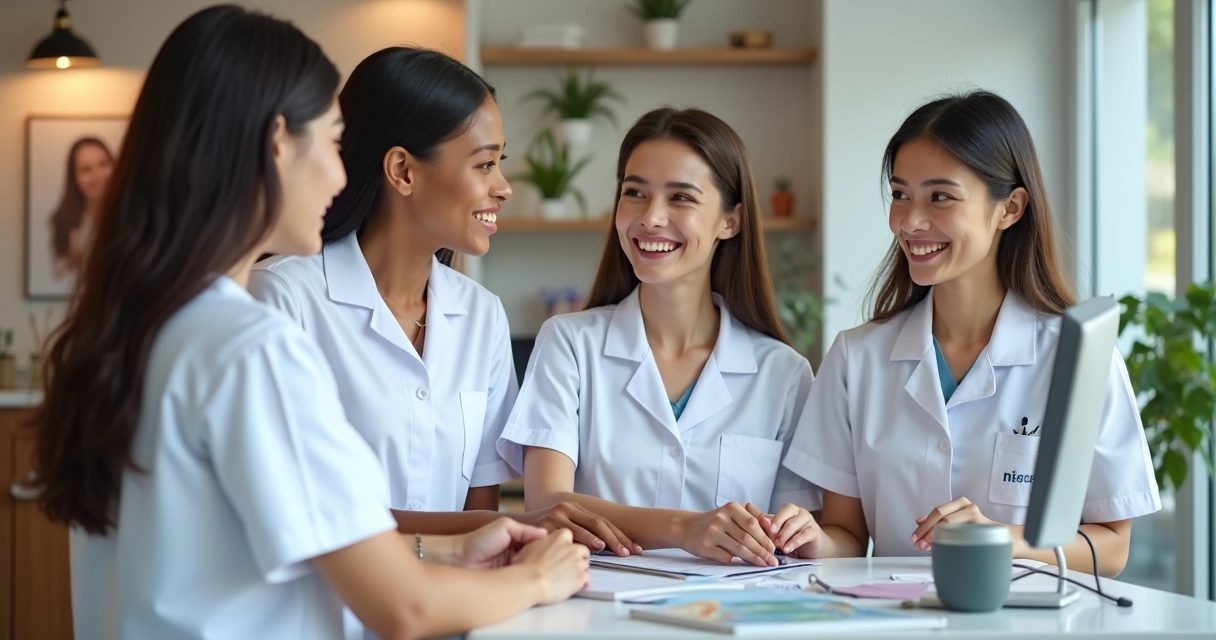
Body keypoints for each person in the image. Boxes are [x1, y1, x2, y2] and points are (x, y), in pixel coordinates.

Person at [32, 7, 588, 640]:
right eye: (331, 141)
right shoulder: (250, 344)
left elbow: (259, 548)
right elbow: (404, 608)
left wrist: (457, 549)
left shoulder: (147, 325)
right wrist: (542, 576)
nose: (341, 171)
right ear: (276, 143)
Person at [249, 47, 637, 556]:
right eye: (484, 165)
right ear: (403, 171)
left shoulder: (481, 315)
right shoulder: (283, 298)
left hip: (450, 615)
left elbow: (482, 516)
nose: (503, 188)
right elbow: (292, 506)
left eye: (500, 164)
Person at [781, 90, 1160, 577]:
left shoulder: (1078, 357)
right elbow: (848, 535)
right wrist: (813, 542)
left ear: (1011, 208)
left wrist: (1003, 541)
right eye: (900, 195)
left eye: (940, 196)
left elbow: (1111, 547)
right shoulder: (857, 358)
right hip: (896, 623)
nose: (910, 221)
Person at [498, 107, 821, 568]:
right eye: (635, 193)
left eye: (681, 198)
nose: (650, 217)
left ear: (730, 222)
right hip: (595, 611)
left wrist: (801, 532)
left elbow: (798, 537)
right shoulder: (570, 343)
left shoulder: (784, 373)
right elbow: (548, 503)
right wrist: (684, 528)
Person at [50, 137, 113, 279]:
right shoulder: (63, 220)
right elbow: (58, 276)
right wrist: (75, 258)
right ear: (74, 177)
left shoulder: (133, 214)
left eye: (103, 164)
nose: (97, 176)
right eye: (86, 170)